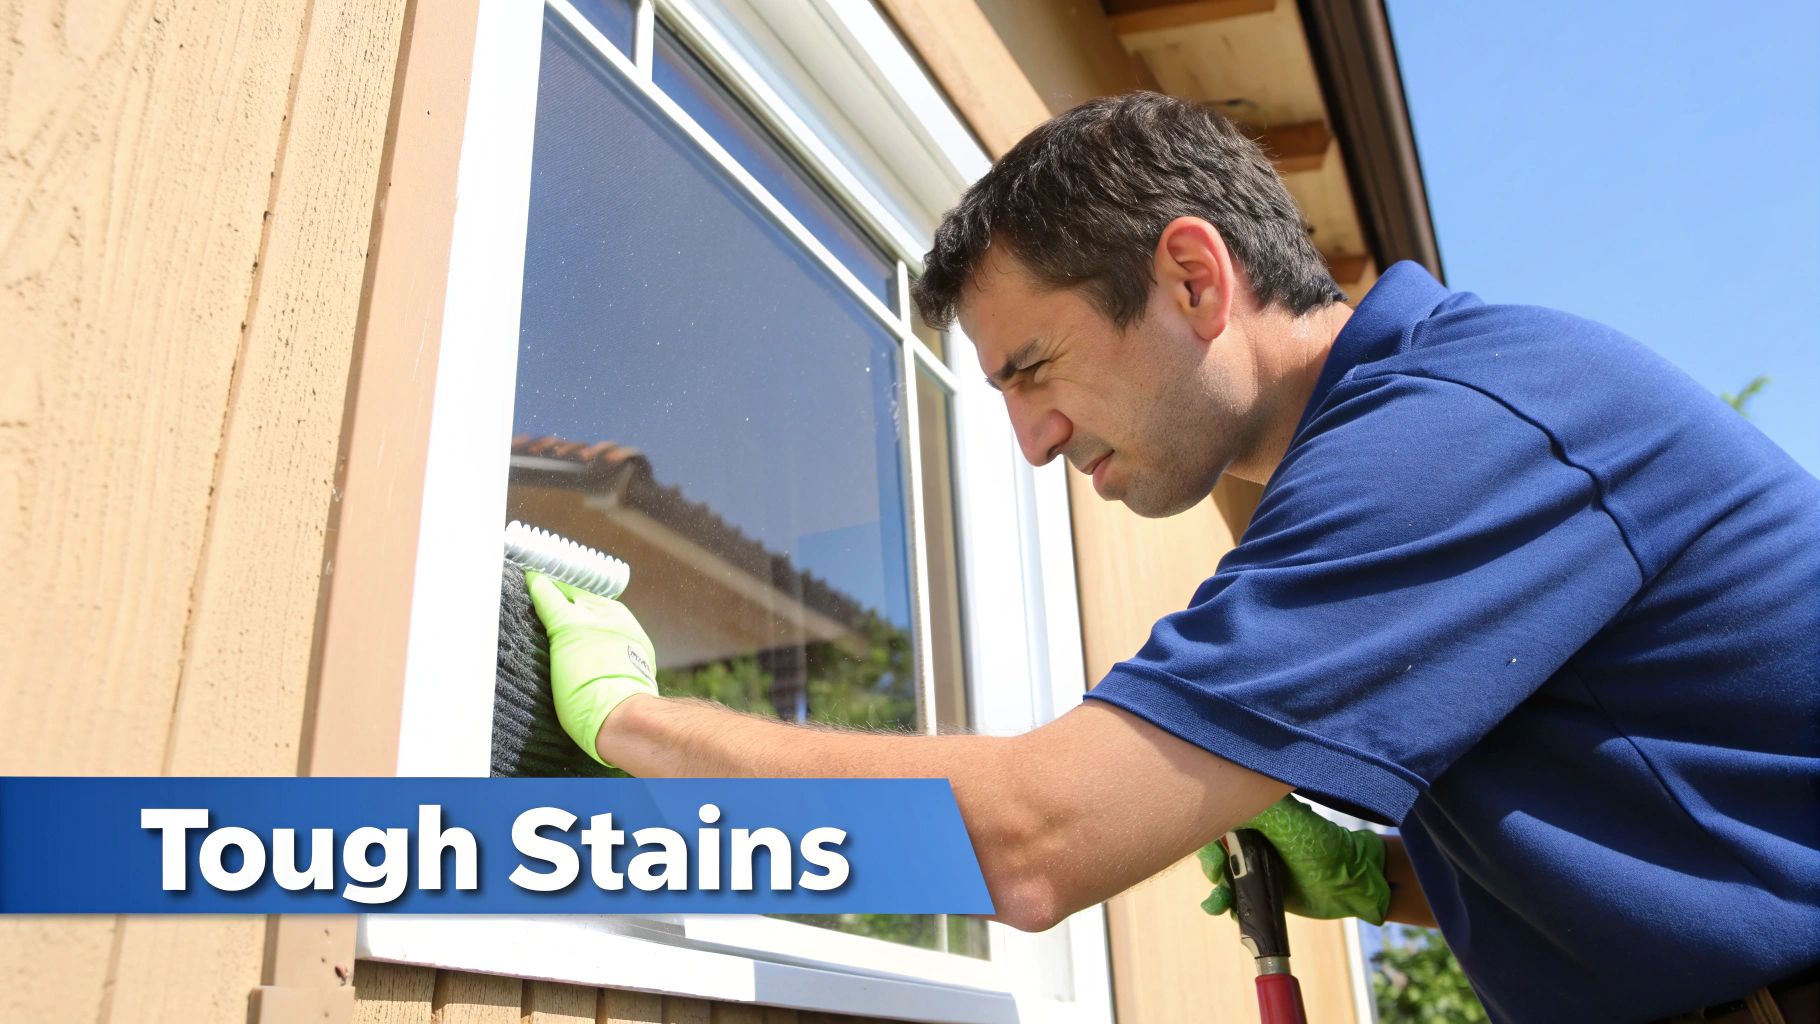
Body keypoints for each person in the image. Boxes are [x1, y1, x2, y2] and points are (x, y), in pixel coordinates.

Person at [524, 92, 1820, 1022]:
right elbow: (1675, 830)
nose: (1031, 444)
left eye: (1034, 368)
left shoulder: (1455, 438)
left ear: (1194, 279)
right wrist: (1393, 882)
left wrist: (639, 721)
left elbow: (1030, 848)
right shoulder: (1398, 440)